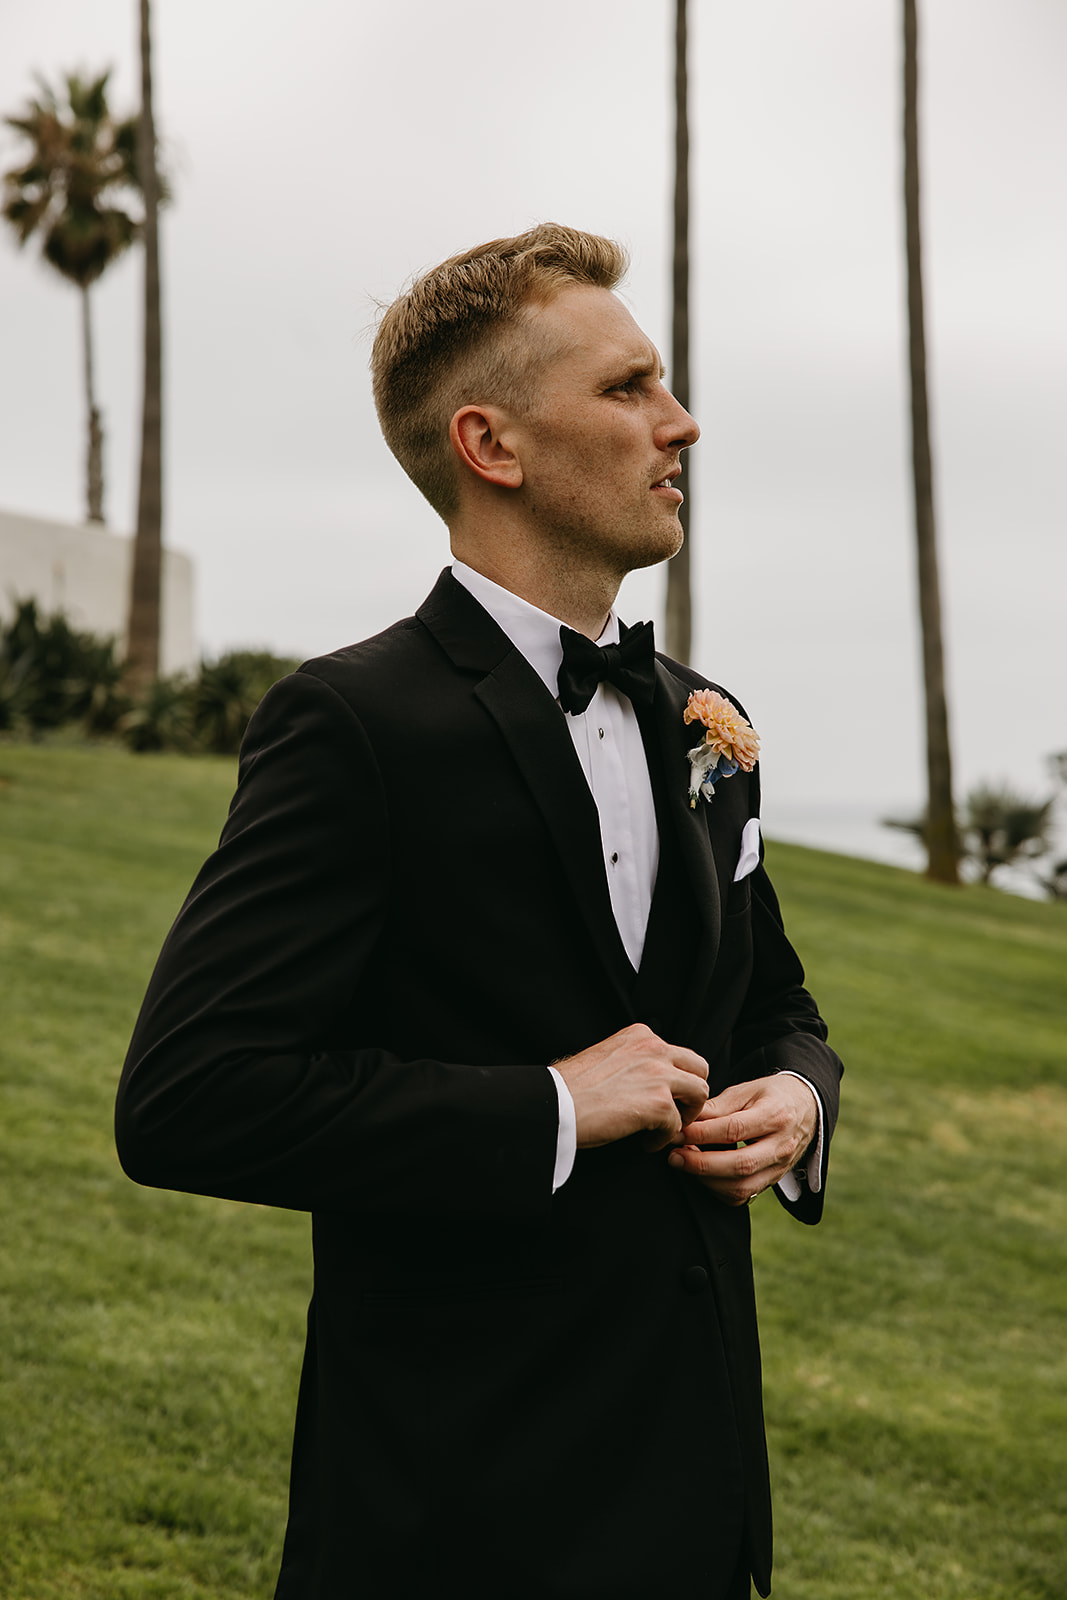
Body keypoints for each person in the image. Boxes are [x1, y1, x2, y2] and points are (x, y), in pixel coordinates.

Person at [116, 223, 842, 1600]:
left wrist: (799, 1102)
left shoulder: (707, 721)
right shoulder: (351, 724)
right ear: (491, 445)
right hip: (455, 1513)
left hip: (695, 1504)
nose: (679, 423)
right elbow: (191, 1096)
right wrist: (557, 1106)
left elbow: (773, 1008)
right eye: (628, 389)